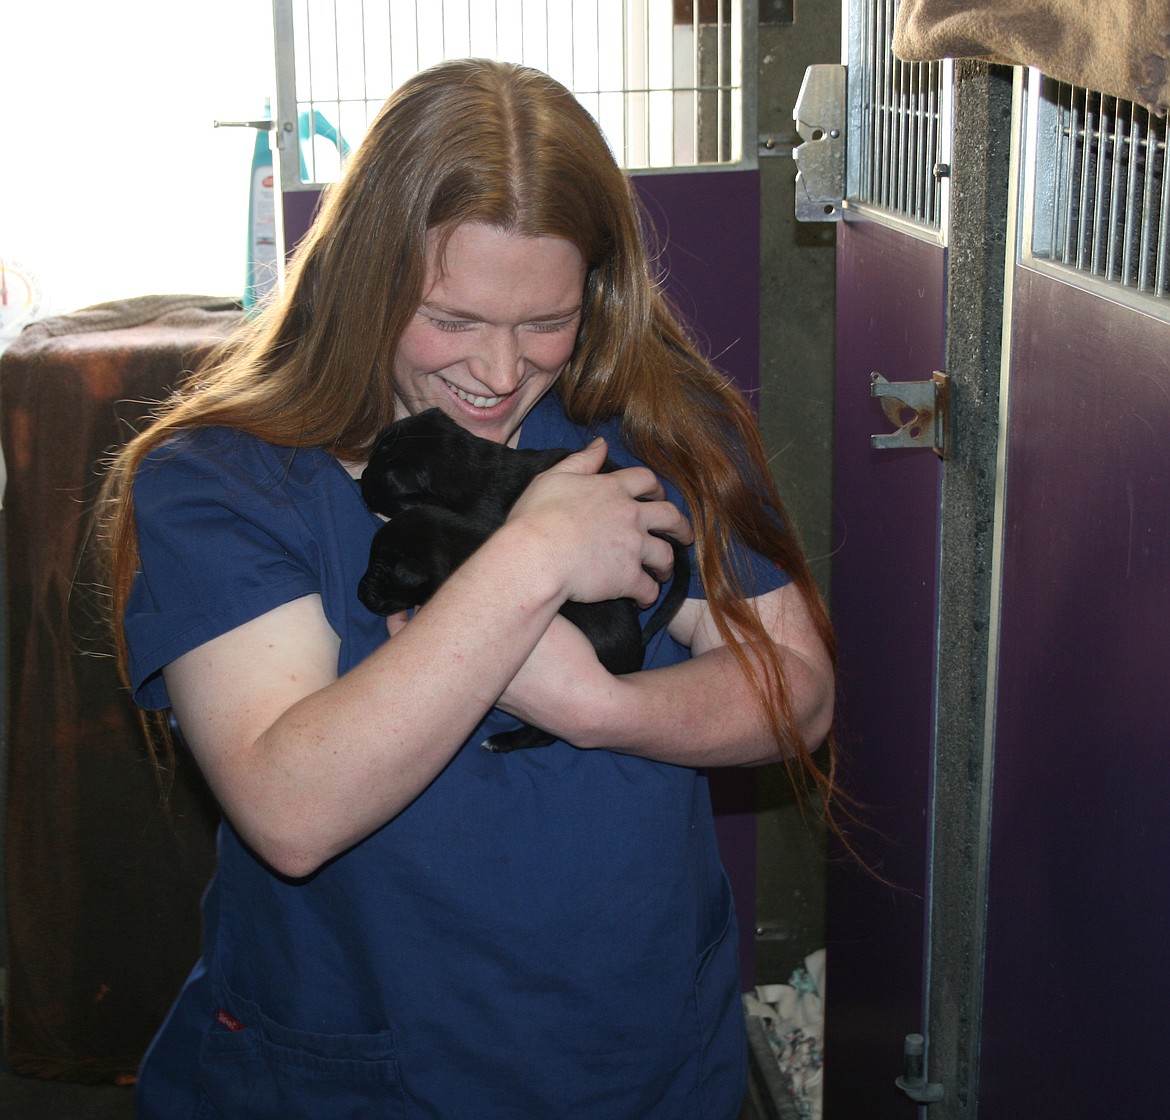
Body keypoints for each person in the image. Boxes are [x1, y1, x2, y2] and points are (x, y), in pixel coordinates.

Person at [97, 57, 836, 1120]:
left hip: (637, 1058)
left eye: (546, 322)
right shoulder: (223, 480)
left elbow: (796, 687)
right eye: (451, 319)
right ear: (367, 278)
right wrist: (532, 561)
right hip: (351, 1074)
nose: (500, 374)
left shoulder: (649, 422)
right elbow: (292, 807)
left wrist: (597, 705)